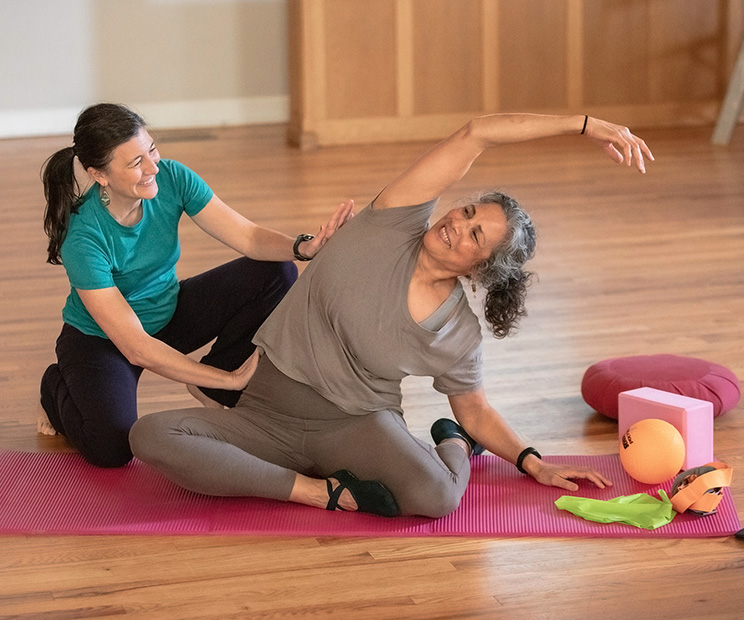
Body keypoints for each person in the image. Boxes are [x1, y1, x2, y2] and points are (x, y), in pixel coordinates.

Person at [130, 113, 654, 517]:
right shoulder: (391, 221)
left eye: (476, 236)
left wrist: (532, 461)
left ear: (481, 269)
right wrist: (586, 125)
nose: (458, 224)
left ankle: (449, 445)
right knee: (150, 436)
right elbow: (477, 133)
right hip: (266, 412)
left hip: (355, 426)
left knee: (439, 497)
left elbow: (476, 410)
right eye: (467, 212)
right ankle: (317, 492)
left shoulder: (457, 331)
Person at [39, 103, 352, 468]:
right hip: (103, 341)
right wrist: (233, 378)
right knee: (112, 449)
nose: (153, 167)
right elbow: (137, 347)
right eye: (135, 162)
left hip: (167, 313)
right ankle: (53, 386)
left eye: (152, 150)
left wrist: (303, 247)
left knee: (274, 271)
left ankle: (211, 387)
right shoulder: (83, 238)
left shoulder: (172, 178)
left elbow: (248, 237)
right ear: (100, 175)